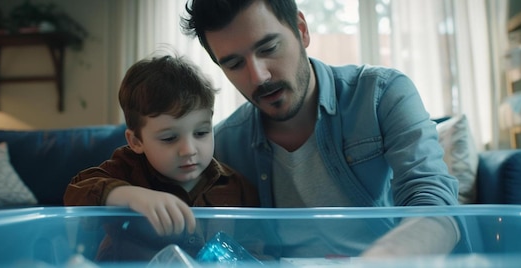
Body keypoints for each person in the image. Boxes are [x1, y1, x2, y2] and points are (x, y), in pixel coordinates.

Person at [181, 0, 466, 259]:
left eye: (268, 48)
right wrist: (134, 196)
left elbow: (434, 201)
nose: (259, 76)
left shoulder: (381, 95)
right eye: (234, 64)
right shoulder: (224, 144)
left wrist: (383, 259)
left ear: (302, 31)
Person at [63, 53, 260, 261]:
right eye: (169, 138)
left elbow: (258, 250)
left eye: (201, 133)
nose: (189, 150)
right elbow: (76, 192)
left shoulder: (236, 187)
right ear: (136, 141)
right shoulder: (128, 169)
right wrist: (128, 195)